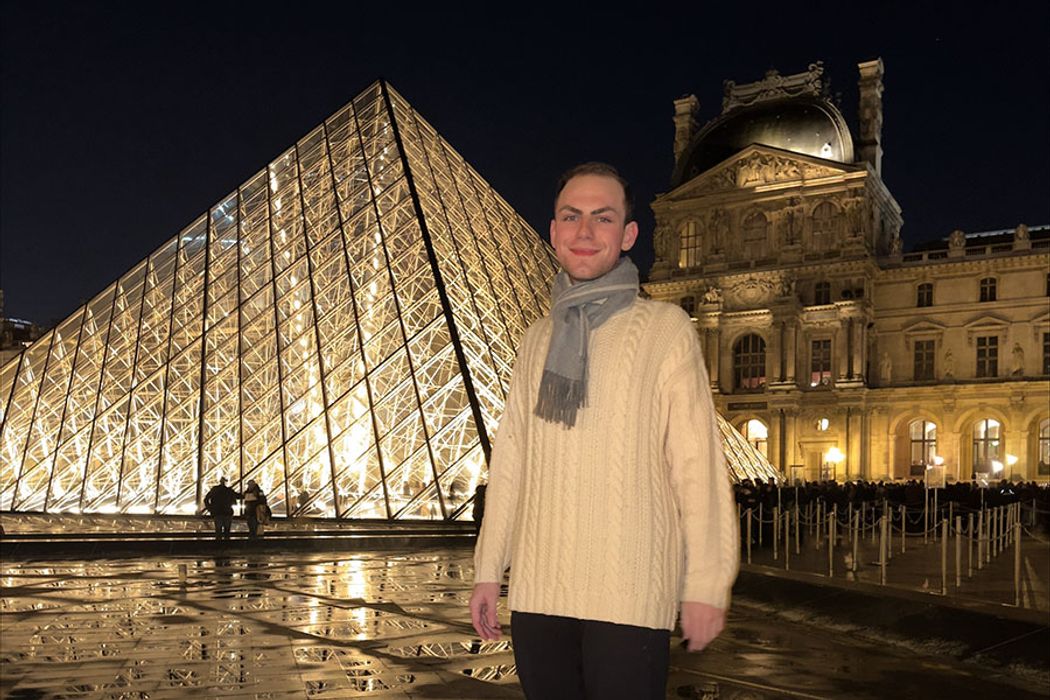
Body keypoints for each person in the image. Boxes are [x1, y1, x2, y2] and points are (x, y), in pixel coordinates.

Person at [469, 163, 738, 698]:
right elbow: (511, 463)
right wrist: (487, 569)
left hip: (630, 588)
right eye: (572, 217)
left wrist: (706, 582)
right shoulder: (535, 338)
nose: (585, 231)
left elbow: (696, 466)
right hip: (540, 588)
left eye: (603, 217)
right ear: (553, 231)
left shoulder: (665, 328)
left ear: (628, 234)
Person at [203, 477, 240, 541]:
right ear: (225, 482)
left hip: (217, 513)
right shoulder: (229, 491)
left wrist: (210, 508)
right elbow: (239, 496)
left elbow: (206, 499)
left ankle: (218, 546)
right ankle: (226, 546)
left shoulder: (214, 490)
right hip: (227, 513)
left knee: (218, 531)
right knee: (227, 531)